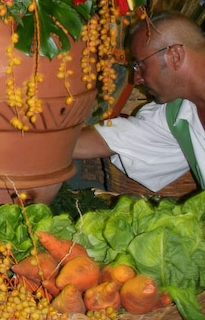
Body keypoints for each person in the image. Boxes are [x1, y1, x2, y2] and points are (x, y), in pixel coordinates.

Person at [73, 11, 205, 191]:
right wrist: (37, 146)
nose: (136, 79)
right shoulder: (178, 114)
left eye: (139, 65)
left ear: (175, 56)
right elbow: (110, 139)